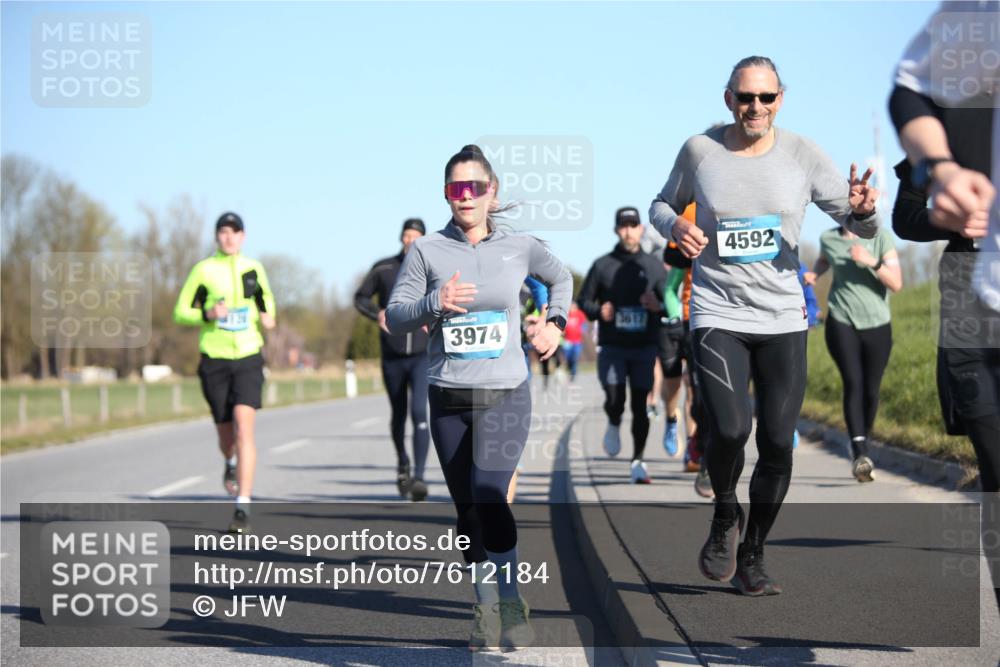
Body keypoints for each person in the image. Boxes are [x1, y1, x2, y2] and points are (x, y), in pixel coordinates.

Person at [649, 56, 880, 596]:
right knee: (729, 428)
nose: (756, 107)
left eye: (766, 98)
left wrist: (865, 211)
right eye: (745, 97)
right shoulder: (700, 151)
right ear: (728, 98)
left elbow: (855, 220)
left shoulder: (802, 154)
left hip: (781, 316)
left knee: (777, 441)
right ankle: (724, 515)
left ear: (781, 99)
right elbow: (660, 204)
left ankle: (753, 554)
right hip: (716, 312)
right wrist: (678, 224)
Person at [385, 144, 571, 651]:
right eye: (455, 189)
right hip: (447, 396)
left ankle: (510, 600)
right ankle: (484, 605)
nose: (465, 197)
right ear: (446, 195)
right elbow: (395, 314)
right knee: (466, 509)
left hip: (506, 392)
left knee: (490, 496)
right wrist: (434, 302)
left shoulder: (520, 247)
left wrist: (554, 323)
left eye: (475, 187)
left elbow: (561, 279)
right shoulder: (425, 252)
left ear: (493, 192)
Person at [174, 212, 275, 534]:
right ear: (217, 237)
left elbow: (267, 304)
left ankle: (242, 506)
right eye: (223, 232)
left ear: (243, 236)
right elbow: (180, 311)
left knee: (245, 430)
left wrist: (268, 316)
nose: (229, 237)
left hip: (248, 355)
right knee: (226, 436)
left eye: (234, 232)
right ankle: (229, 463)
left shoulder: (253, 268)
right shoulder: (203, 270)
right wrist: (207, 313)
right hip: (214, 359)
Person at [578, 206, 667, 484]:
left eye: (633, 225)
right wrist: (598, 310)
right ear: (617, 230)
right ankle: (614, 420)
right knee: (615, 399)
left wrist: (658, 305)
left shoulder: (653, 266)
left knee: (640, 406)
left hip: (644, 346)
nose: (629, 231)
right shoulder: (602, 265)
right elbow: (584, 300)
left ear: (641, 229)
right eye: (624, 226)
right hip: (613, 345)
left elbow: (669, 303)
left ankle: (638, 461)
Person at [805, 226, 902, 481]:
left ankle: (862, 440)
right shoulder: (828, 238)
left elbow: (897, 284)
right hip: (840, 318)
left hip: (878, 322)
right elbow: (825, 258)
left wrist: (871, 261)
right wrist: (815, 273)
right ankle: (860, 451)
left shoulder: (880, 237)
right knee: (853, 382)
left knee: (871, 390)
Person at [354, 218, 432, 501]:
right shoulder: (384, 267)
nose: (411, 240)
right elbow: (360, 297)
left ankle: (420, 477)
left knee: (420, 413)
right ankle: (403, 463)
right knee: (398, 414)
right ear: (401, 238)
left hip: (423, 355)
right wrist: (378, 314)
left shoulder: (432, 266)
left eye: (416, 236)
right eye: (407, 235)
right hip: (393, 355)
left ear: (423, 239)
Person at [562, 303, 587, 381]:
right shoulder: (566, 314)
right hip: (567, 340)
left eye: (573, 306)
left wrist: (582, 330)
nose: (572, 308)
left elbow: (584, 324)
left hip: (577, 341)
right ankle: (569, 369)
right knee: (568, 357)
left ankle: (573, 373)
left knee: (575, 357)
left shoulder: (580, 314)